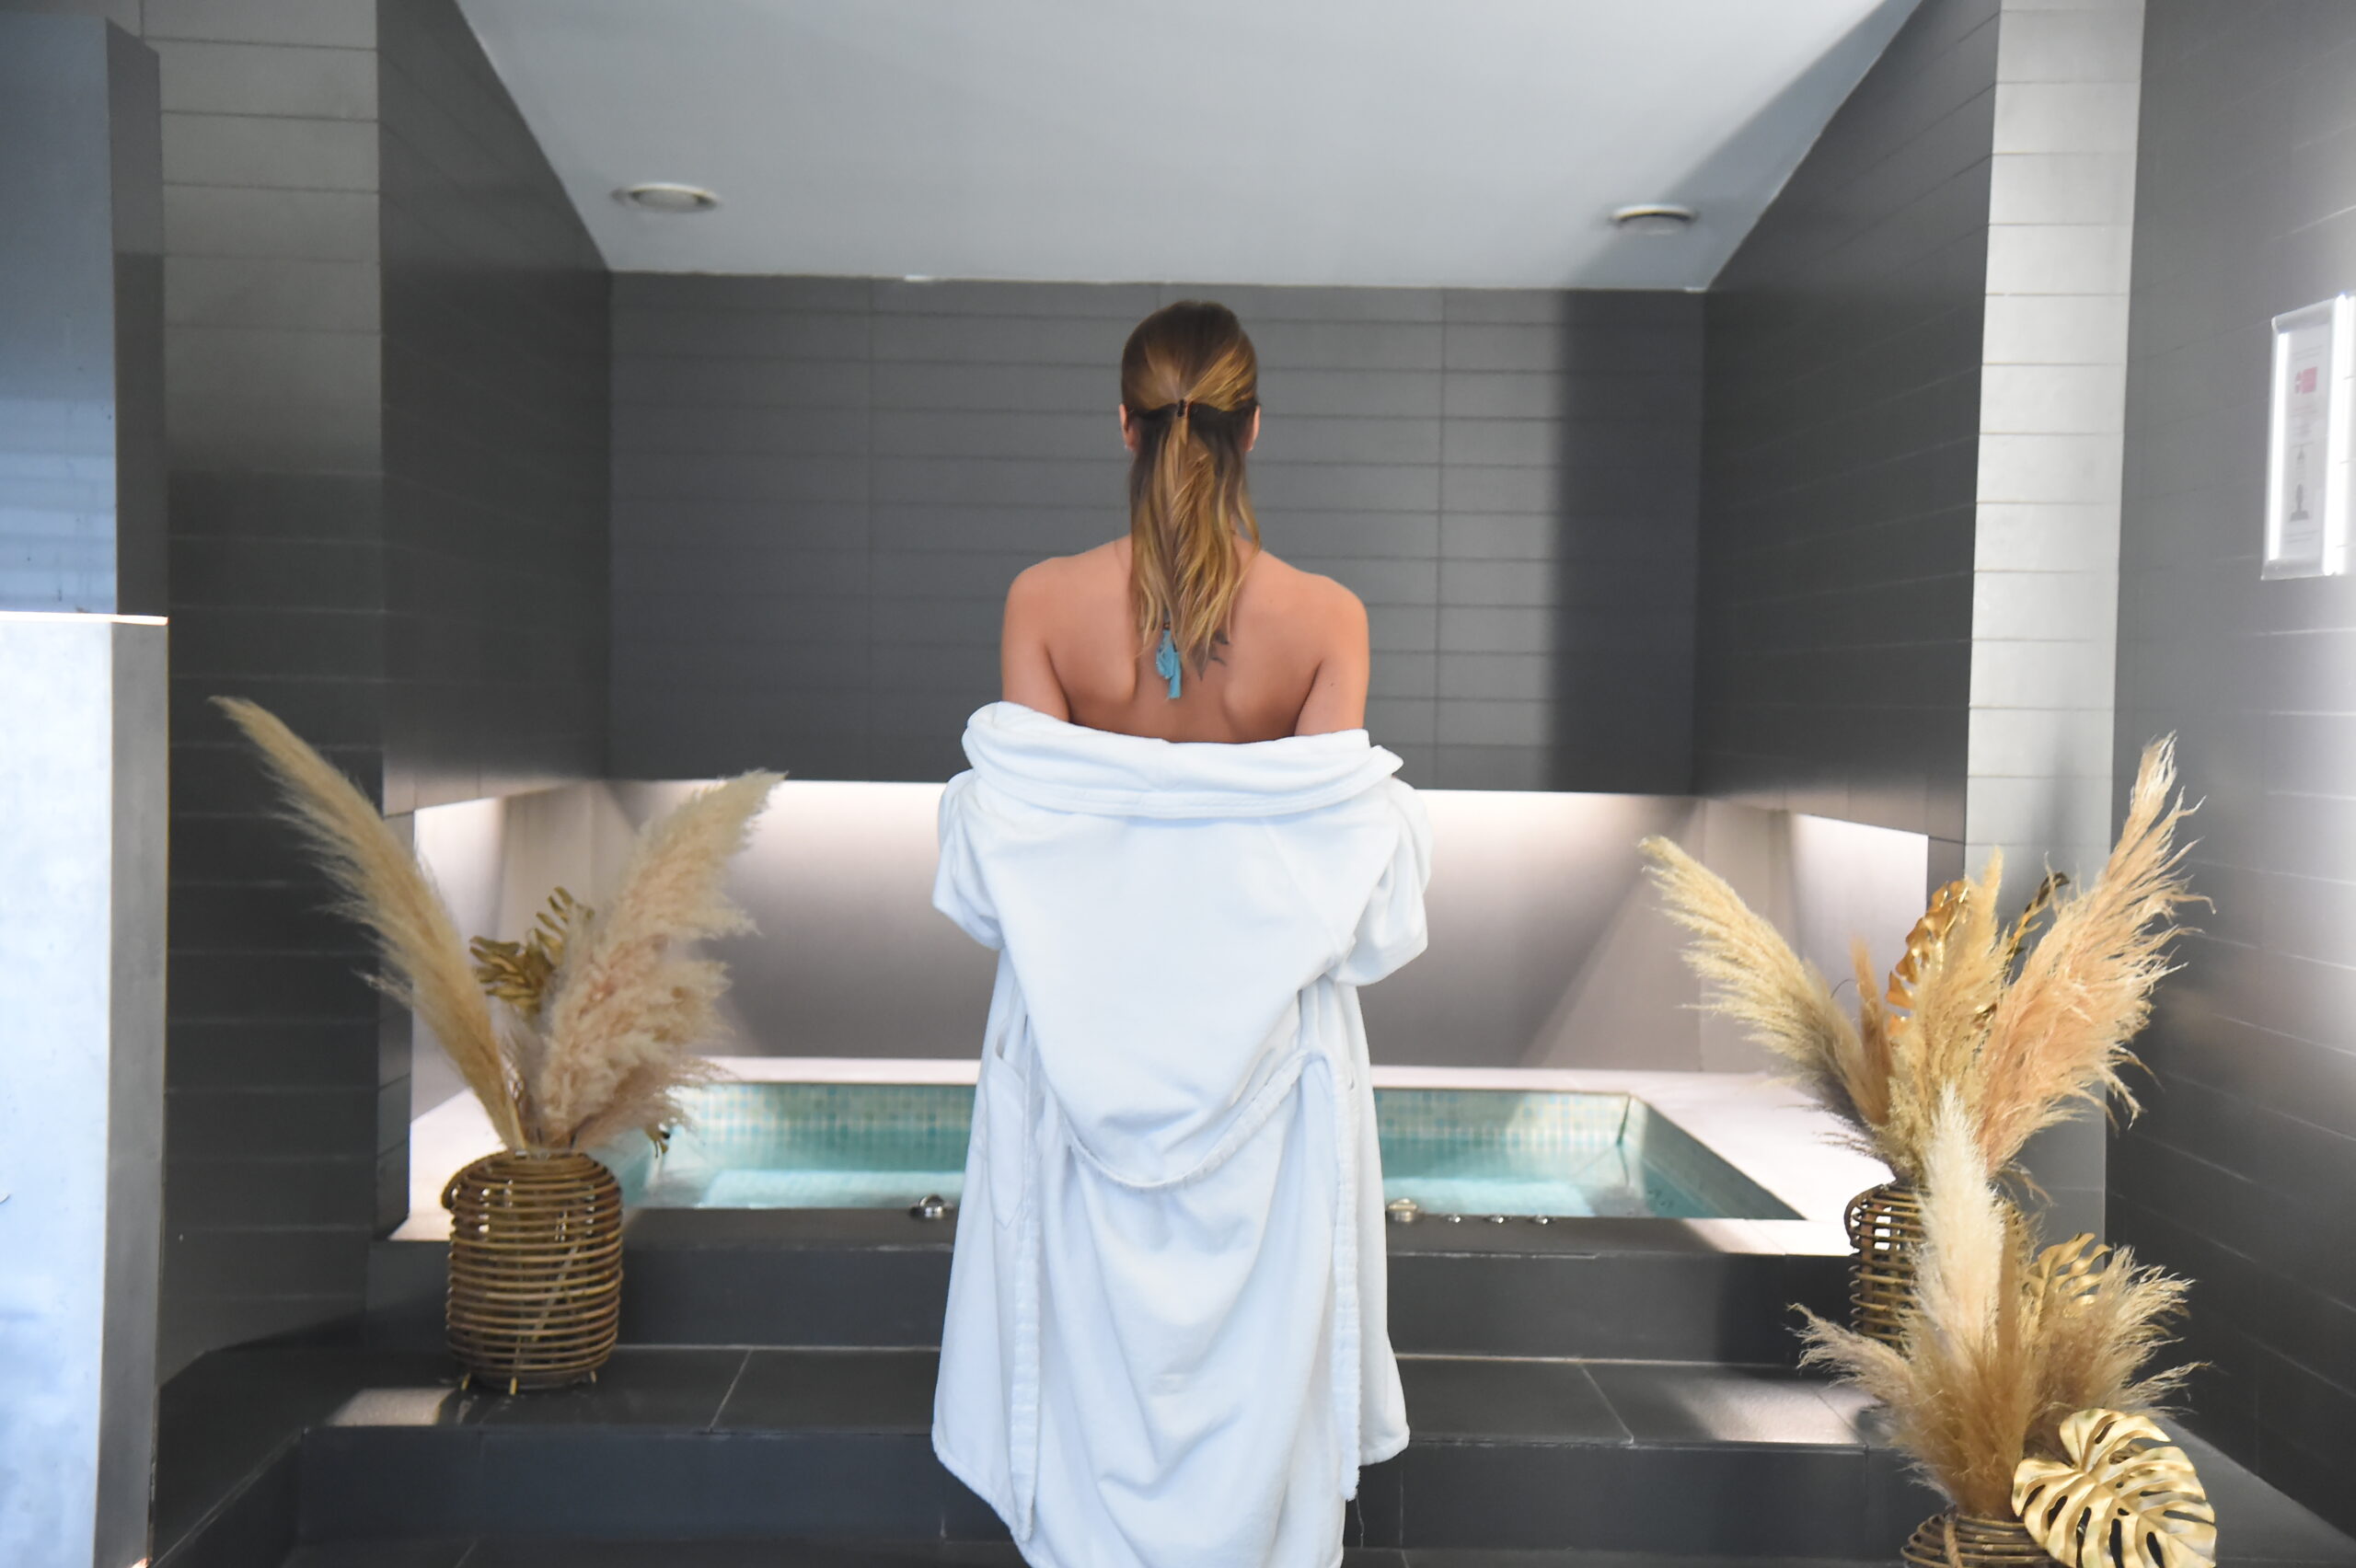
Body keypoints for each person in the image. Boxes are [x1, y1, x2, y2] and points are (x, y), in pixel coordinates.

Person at [930, 301, 1433, 1568]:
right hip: (1274, 1085)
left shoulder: (1043, 605)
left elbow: (1024, 863)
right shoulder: (1327, 621)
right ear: (1253, 429)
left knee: (1084, 1353)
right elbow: (1334, 885)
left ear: (1125, 426)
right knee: (1261, 1360)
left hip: (1075, 1065)